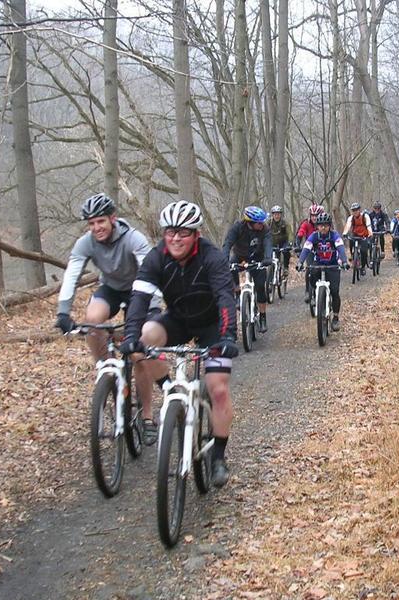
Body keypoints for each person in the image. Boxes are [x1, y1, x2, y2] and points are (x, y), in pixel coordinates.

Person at [121, 200, 238, 488]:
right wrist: (130, 334)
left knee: (219, 390)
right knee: (144, 338)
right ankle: (168, 388)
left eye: (183, 232)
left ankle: (218, 457)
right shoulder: (156, 257)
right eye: (170, 231)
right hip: (178, 319)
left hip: (212, 325)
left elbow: (225, 297)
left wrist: (227, 337)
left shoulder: (212, 258)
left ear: (196, 234)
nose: (176, 238)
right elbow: (139, 297)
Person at [54, 193, 160, 441]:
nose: (96, 228)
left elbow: (150, 271)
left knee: (138, 354)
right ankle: (107, 371)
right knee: (93, 320)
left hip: (139, 289)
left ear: (113, 218)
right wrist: (63, 311)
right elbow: (72, 275)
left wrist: (152, 307)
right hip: (111, 289)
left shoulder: (134, 238)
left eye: (100, 221)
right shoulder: (85, 243)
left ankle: (146, 416)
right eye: (91, 224)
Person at [222, 206, 273, 333]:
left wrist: (267, 258)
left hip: (258, 258)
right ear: (250, 222)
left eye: (262, 222)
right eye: (259, 222)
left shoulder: (265, 229)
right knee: (230, 268)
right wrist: (224, 259)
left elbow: (268, 244)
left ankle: (262, 317)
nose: (262, 224)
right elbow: (227, 243)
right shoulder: (237, 227)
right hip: (240, 256)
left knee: (261, 286)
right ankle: (238, 293)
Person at [296, 212, 349, 331]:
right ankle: (316, 295)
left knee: (335, 292)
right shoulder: (314, 236)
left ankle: (335, 317)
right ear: (317, 226)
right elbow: (306, 248)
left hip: (332, 265)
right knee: (311, 276)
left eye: (325, 225)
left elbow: (340, 248)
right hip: (318, 264)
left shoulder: (334, 236)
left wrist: (344, 261)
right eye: (320, 225)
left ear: (330, 226)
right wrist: (300, 262)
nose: (323, 228)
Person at [296, 204, 324, 302]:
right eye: (312, 215)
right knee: (309, 269)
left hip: (323, 250)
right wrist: (298, 244)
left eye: (316, 215)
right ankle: (308, 290)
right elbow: (301, 232)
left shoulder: (325, 224)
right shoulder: (306, 223)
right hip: (310, 249)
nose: (314, 218)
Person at [342, 202, 373, 276]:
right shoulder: (351, 218)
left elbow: (368, 226)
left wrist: (370, 233)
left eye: (356, 210)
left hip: (364, 235)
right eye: (353, 210)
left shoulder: (365, 216)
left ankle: (363, 267)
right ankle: (353, 256)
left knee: (363, 251)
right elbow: (348, 226)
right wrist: (345, 233)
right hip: (355, 234)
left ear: (359, 210)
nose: (355, 212)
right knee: (351, 242)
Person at [269, 205, 291, 278]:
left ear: (280, 215)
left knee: (286, 252)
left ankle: (285, 268)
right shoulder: (269, 223)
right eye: (275, 214)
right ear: (273, 215)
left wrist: (290, 243)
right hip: (273, 242)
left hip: (283, 242)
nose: (277, 216)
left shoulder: (285, 223)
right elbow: (264, 232)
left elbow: (290, 234)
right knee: (272, 257)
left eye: (278, 214)